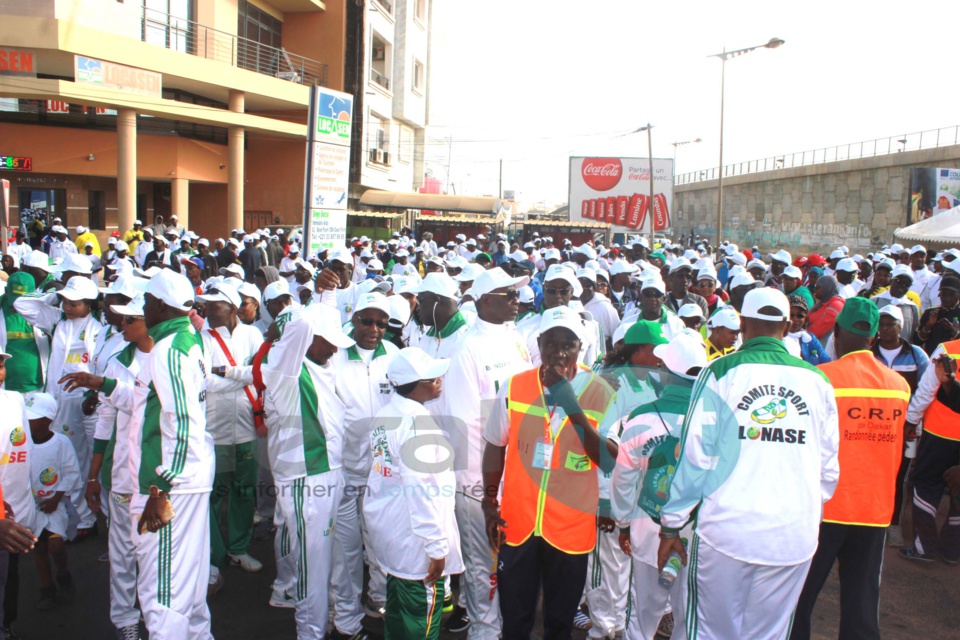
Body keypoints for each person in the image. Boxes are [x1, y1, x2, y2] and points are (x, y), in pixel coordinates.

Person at [657, 288, 840, 639]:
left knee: (707, 631)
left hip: (727, 533)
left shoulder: (721, 372)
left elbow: (695, 458)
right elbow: (827, 471)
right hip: (791, 538)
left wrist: (671, 525)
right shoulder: (818, 381)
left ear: (742, 325)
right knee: (767, 633)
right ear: (786, 327)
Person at [482, 307, 616, 640]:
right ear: (538, 343)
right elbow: (495, 445)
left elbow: (610, 459)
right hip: (518, 525)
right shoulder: (515, 386)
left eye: (568, 345)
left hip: (570, 528)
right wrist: (488, 502)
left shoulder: (601, 391)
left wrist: (571, 404)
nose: (558, 353)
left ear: (580, 348)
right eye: (551, 343)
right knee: (515, 618)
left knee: (559, 622)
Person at [790, 298, 910, 640]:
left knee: (799, 598)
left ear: (838, 333)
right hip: (874, 509)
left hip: (825, 507)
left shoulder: (821, 378)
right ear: (873, 338)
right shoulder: (899, 387)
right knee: (862, 603)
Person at [439, 267, 533, 638]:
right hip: (481, 481)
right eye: (508, 295)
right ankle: (484, 631)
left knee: (511, 563)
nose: (516, 301)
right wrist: (481, 490)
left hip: (518, 477)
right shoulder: (466, 347)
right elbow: (462, 426)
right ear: (483, 301)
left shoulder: (515, 338)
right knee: (483, 567)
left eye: (516, 294)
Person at [259, 297, 352, 639]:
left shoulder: (324, 365)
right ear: (308, 336)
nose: (333, 349)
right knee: (311, 565)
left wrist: (327, 302)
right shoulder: (286, 371)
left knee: (330, 560)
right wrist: (312, 306)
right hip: (305, 479)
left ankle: (327, 620)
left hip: (332, 472)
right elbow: (294, 328)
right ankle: (309, 632)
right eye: (326, 341)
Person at [129, 270, 215, 639]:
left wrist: (161, 488)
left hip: (173, 483)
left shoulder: (169, 348)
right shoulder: (188, 339)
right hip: (189, 477)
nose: (143, 308)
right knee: (189, 587)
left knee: (162, 594)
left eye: (146, 302)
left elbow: (183, 421)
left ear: (162, 305)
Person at [61, 292, 150, 639]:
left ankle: (155, 614)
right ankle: (126, 620)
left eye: (130, 319)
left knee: (154, 550)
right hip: (123, 473)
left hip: (158, 474)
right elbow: (104, 423)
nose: (122, 323)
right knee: (123, 551)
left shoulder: (171, 358)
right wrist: (93, 476)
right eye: (122, 318)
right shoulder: (116, 363)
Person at [363, 347, 463, 640]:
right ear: (414, 384)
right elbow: (422, 491)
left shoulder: (387, 413)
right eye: (432, 378)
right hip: (416, 544)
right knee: (420, 621)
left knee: (398, 613)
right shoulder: (416, 425)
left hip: (395, 536)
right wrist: (436, 547)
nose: (439, 381)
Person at [612, 332, 707, 640]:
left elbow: (624, 481)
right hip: (698, 535)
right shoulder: (716, 418)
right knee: (688, 615)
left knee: (642, 615)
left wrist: (623, 524)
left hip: (647, 530)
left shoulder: (642, 418)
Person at [330, 292, 399, 635]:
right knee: (345, 550)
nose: (374, 329)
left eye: (381, 323)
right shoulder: (335, 357)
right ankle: (345, 617)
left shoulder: (396, 358)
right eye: (367, 321)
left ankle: (379, 598)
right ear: (353, 319)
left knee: (381, 539)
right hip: (343, 469)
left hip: (384, 473)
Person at [14, 276, 103, 540]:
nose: (68, 306)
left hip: (89, 401)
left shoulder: (101, 328)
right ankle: (83, 519)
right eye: (65, 301)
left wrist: (95, 394)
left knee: (91, 457)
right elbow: (22, 304)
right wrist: (53, 296)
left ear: (89, 304)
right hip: (60, 401)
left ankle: (94, 514)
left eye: (74, 303)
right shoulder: (57, 320)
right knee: (73, 457)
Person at [199, 284, 265, 581]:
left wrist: (226, 371)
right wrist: (242, 375)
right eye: (207, 306)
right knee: (215, 494)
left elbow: (260, 374)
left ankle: (239, 548)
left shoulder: (253, 335)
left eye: (215, 306)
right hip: (216, 430)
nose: (208, 311)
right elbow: (206, 383)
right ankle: (213, 553)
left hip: (248, 428)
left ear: (233, 308)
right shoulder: (202, 337)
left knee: (243, 491)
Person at [871, 305, 930, 547]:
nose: (885, 329)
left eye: (890, 324)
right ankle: (871, 518)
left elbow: (927, 389)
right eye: (881, 324)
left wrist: (914, 422)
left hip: (906, 429)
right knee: (872, 472)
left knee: (900, 476)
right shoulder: (868, 353)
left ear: (900, 327)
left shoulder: (917, 355)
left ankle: (893, 524)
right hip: (872, 426)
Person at [900, 331, 960, 563]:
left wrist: (912, 420)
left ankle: (923, 548)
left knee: (926, 484)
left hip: (939, 433)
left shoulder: (948, 348)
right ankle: (952, 550)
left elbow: (927, 389)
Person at [26, 392, 81, 610]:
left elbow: (71, 472)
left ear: (48, 420)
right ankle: (47, 588)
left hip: (55, 505)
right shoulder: (24, 444)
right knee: (38, 546)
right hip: (33, 506)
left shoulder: (61, 443)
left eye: (33, 417)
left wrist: (56, 498)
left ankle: (63, 573)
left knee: (55, 546)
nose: (28, 421)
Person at [0, 272, 49, 393]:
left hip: (37, 386)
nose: (17, 306)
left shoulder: (45, 310)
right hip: (6, 388)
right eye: (15, 300)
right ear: (6, 291)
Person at [915, 275, 960, 355]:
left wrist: (953, 332)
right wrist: (928, 326)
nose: (947, 298)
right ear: (939, 294)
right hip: (932, 360)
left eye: (951, 295)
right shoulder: (930, 312)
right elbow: (917, 341)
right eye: (944, 294)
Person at [784, 295, 831, 365]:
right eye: (791, 315)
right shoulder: (778, 338)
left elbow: (827, 362)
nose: (795, 319)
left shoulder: (810, 339)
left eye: (800, 316)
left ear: (805, 318)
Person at [807, 275, 845, 341]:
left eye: (817, 288)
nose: (815, 290)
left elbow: (818, 330)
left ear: (827, 288)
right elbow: (807, 318)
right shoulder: (823, 301)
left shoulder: (836, 305)